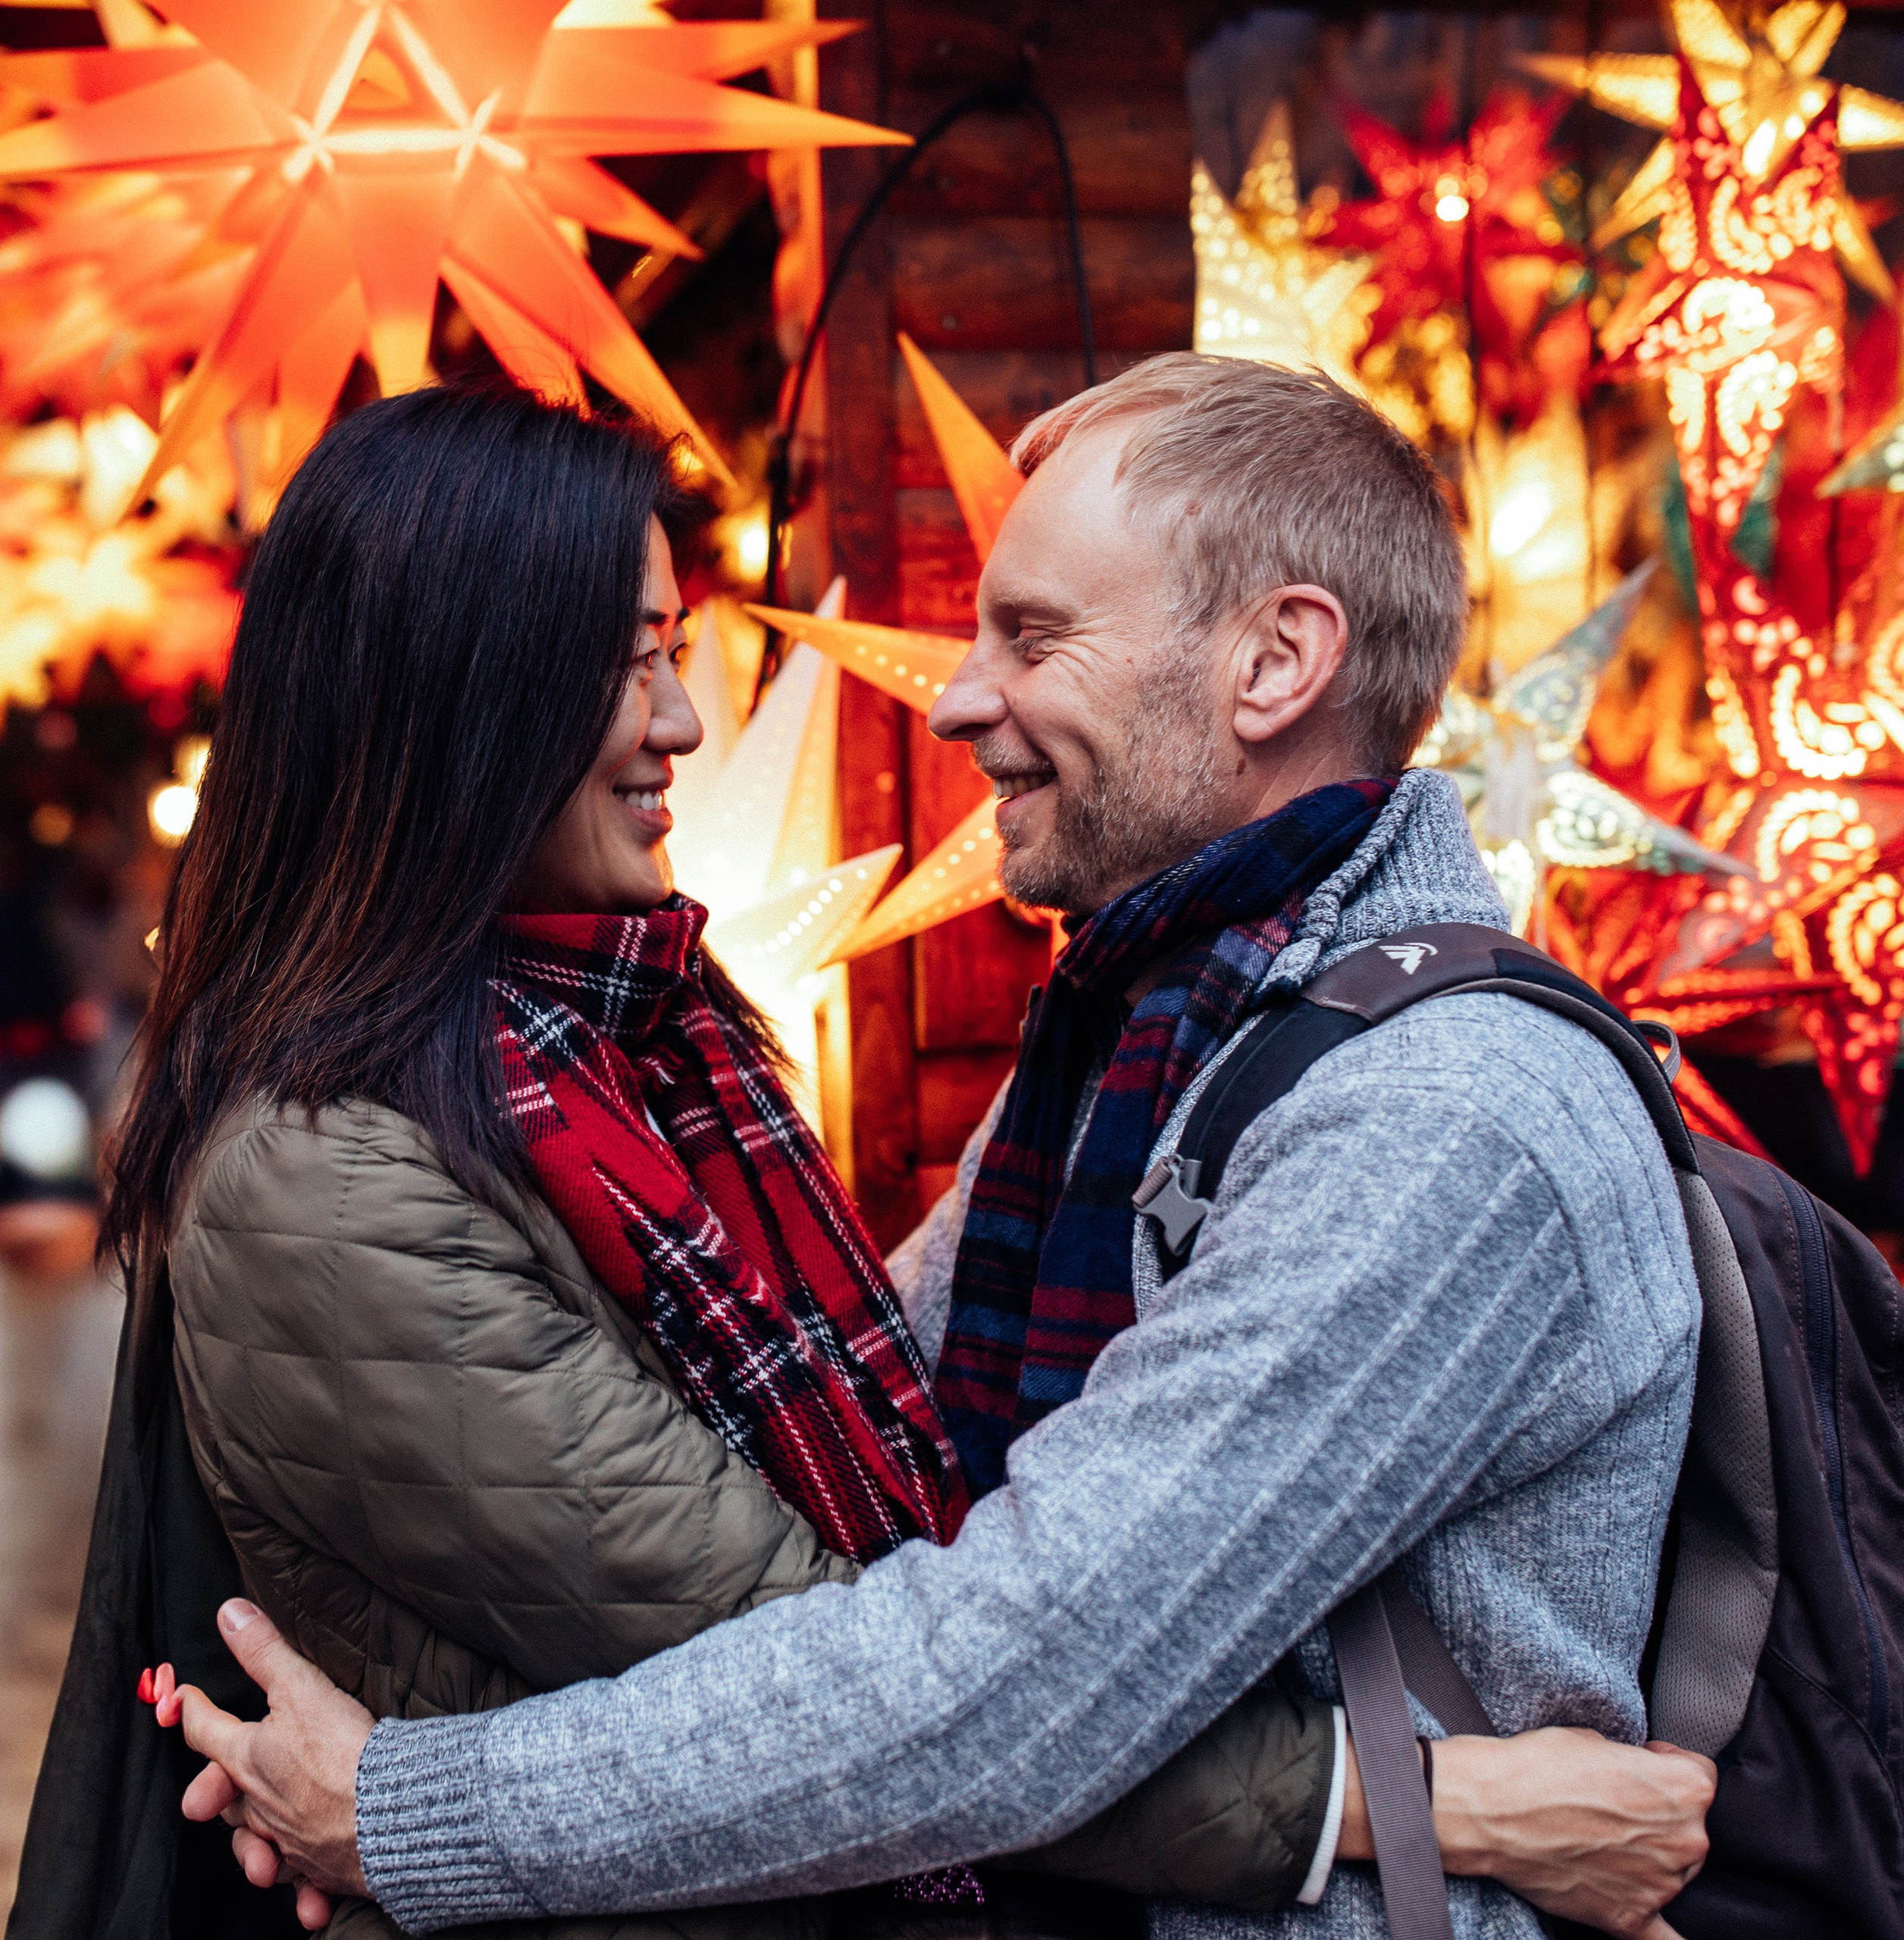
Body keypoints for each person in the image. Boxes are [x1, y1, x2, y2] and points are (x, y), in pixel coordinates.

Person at [168, 356, 1715, 1940]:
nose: (958, 698)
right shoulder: (1137, 1035)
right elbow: (935, 1589)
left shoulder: (1438, 1114)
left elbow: (1013, 1678)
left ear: (1273, 664)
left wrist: (406, 1807)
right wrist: (1431, 1798)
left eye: (1031, 636)